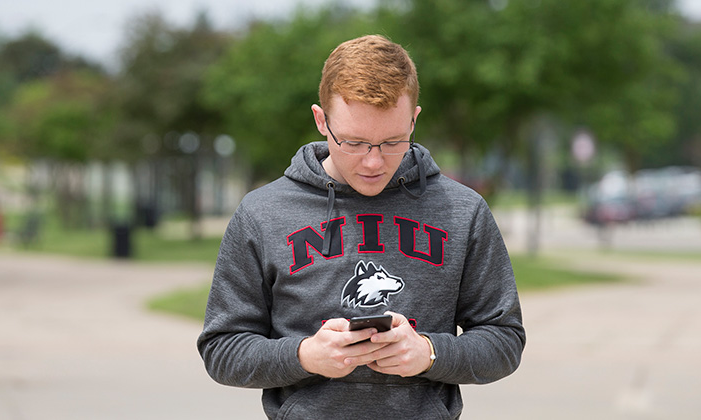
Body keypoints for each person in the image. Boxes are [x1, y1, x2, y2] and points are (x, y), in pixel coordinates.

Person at [197, 34, 525, 419]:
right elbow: (221, 349)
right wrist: (306, 356)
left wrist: (429, 353)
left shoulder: (463, 211)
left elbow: (504, 340)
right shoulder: (261, 213)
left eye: (392, 142)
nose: (373, 162)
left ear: (414, 119)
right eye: (354, 142)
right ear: (321, 120)